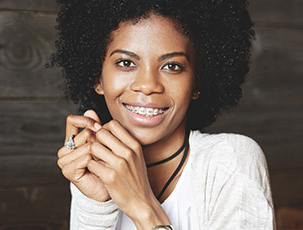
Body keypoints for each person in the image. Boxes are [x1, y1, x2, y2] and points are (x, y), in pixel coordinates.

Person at [51, 0, 276, 229]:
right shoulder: (98, 168)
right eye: (126, 62)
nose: (148, 85)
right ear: (97, 78)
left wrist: (143, 208)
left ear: (197, 82)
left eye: (171, 66)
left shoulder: (232, 160)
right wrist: (97, 205)